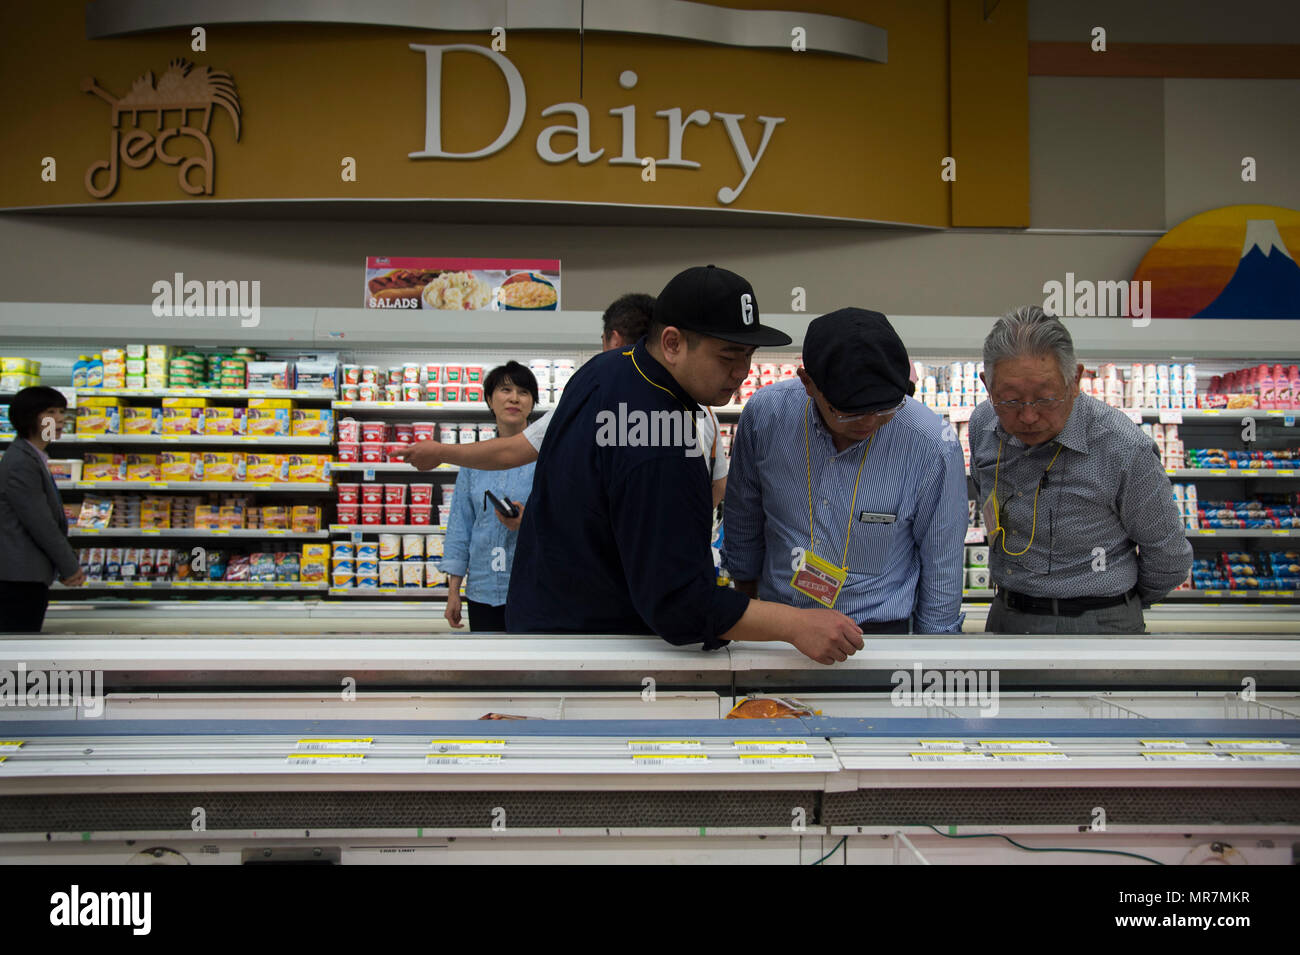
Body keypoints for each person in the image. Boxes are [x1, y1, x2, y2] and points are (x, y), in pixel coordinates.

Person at [505, 265, 865, 665]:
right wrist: (796, 625)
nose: (741, 372)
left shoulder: (607, 369)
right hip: (598, 652)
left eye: (748, 355)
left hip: (541, 627)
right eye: (727, 356)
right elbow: (680, 605)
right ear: (673, 343)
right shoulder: (659, 432)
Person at [723, 308, 968, 633]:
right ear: (808, 383)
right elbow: (744, 518)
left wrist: (933, 655)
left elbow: (942, 562)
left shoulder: (932, 444)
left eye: (884, 410)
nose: (868, 423)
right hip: (779, 627)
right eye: (849, 413)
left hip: (879, 634)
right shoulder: (766, 417)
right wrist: (748, 612)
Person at [970, 306, 1193, 634]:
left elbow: (1169, 556)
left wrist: (1120, 603)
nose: (1029, 417)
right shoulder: (982, 425)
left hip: (1100, 622)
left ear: (1075, 380)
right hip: (1007, 615)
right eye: (1011, 400)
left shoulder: (1121, 446)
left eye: (1045, 399)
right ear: (987, 385)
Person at [395, 293, 730, 507]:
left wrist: (440, 451)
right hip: (674, 577)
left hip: (609, 583)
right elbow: (717, 486)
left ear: (612, 339)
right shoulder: (701, 411)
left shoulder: (593, 399)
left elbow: (511, 450)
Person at [437, 362, 539, 632]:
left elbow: (565, 520)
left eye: (524, 392)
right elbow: (461, 525)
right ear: (490, 400)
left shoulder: (549, 458)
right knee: (489, 670)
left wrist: (528, 520)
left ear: (532, 403)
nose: (514, 398)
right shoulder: (473, 460)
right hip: (482, 590)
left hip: (534, 588)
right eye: (505, 390)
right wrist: (453, 591)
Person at [0, 386, 85, 632]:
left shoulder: (33, 456)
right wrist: (70, 567)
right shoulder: (21, 463)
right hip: (18, 579)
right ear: (30, 417)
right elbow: (41, 523)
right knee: (16, 652)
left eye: (61, 411)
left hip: (25, 577)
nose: (60, 419)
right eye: (50, 412)